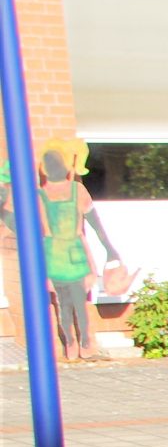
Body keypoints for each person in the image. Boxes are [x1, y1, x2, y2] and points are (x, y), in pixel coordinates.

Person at [22, 148, 105, 363]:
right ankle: (79, 343)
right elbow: (92, 225)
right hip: (67, 253)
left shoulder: (43, 195)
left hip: (59, 254)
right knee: (75, 303)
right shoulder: (71, 191)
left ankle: (75, 342)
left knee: (66, 304)